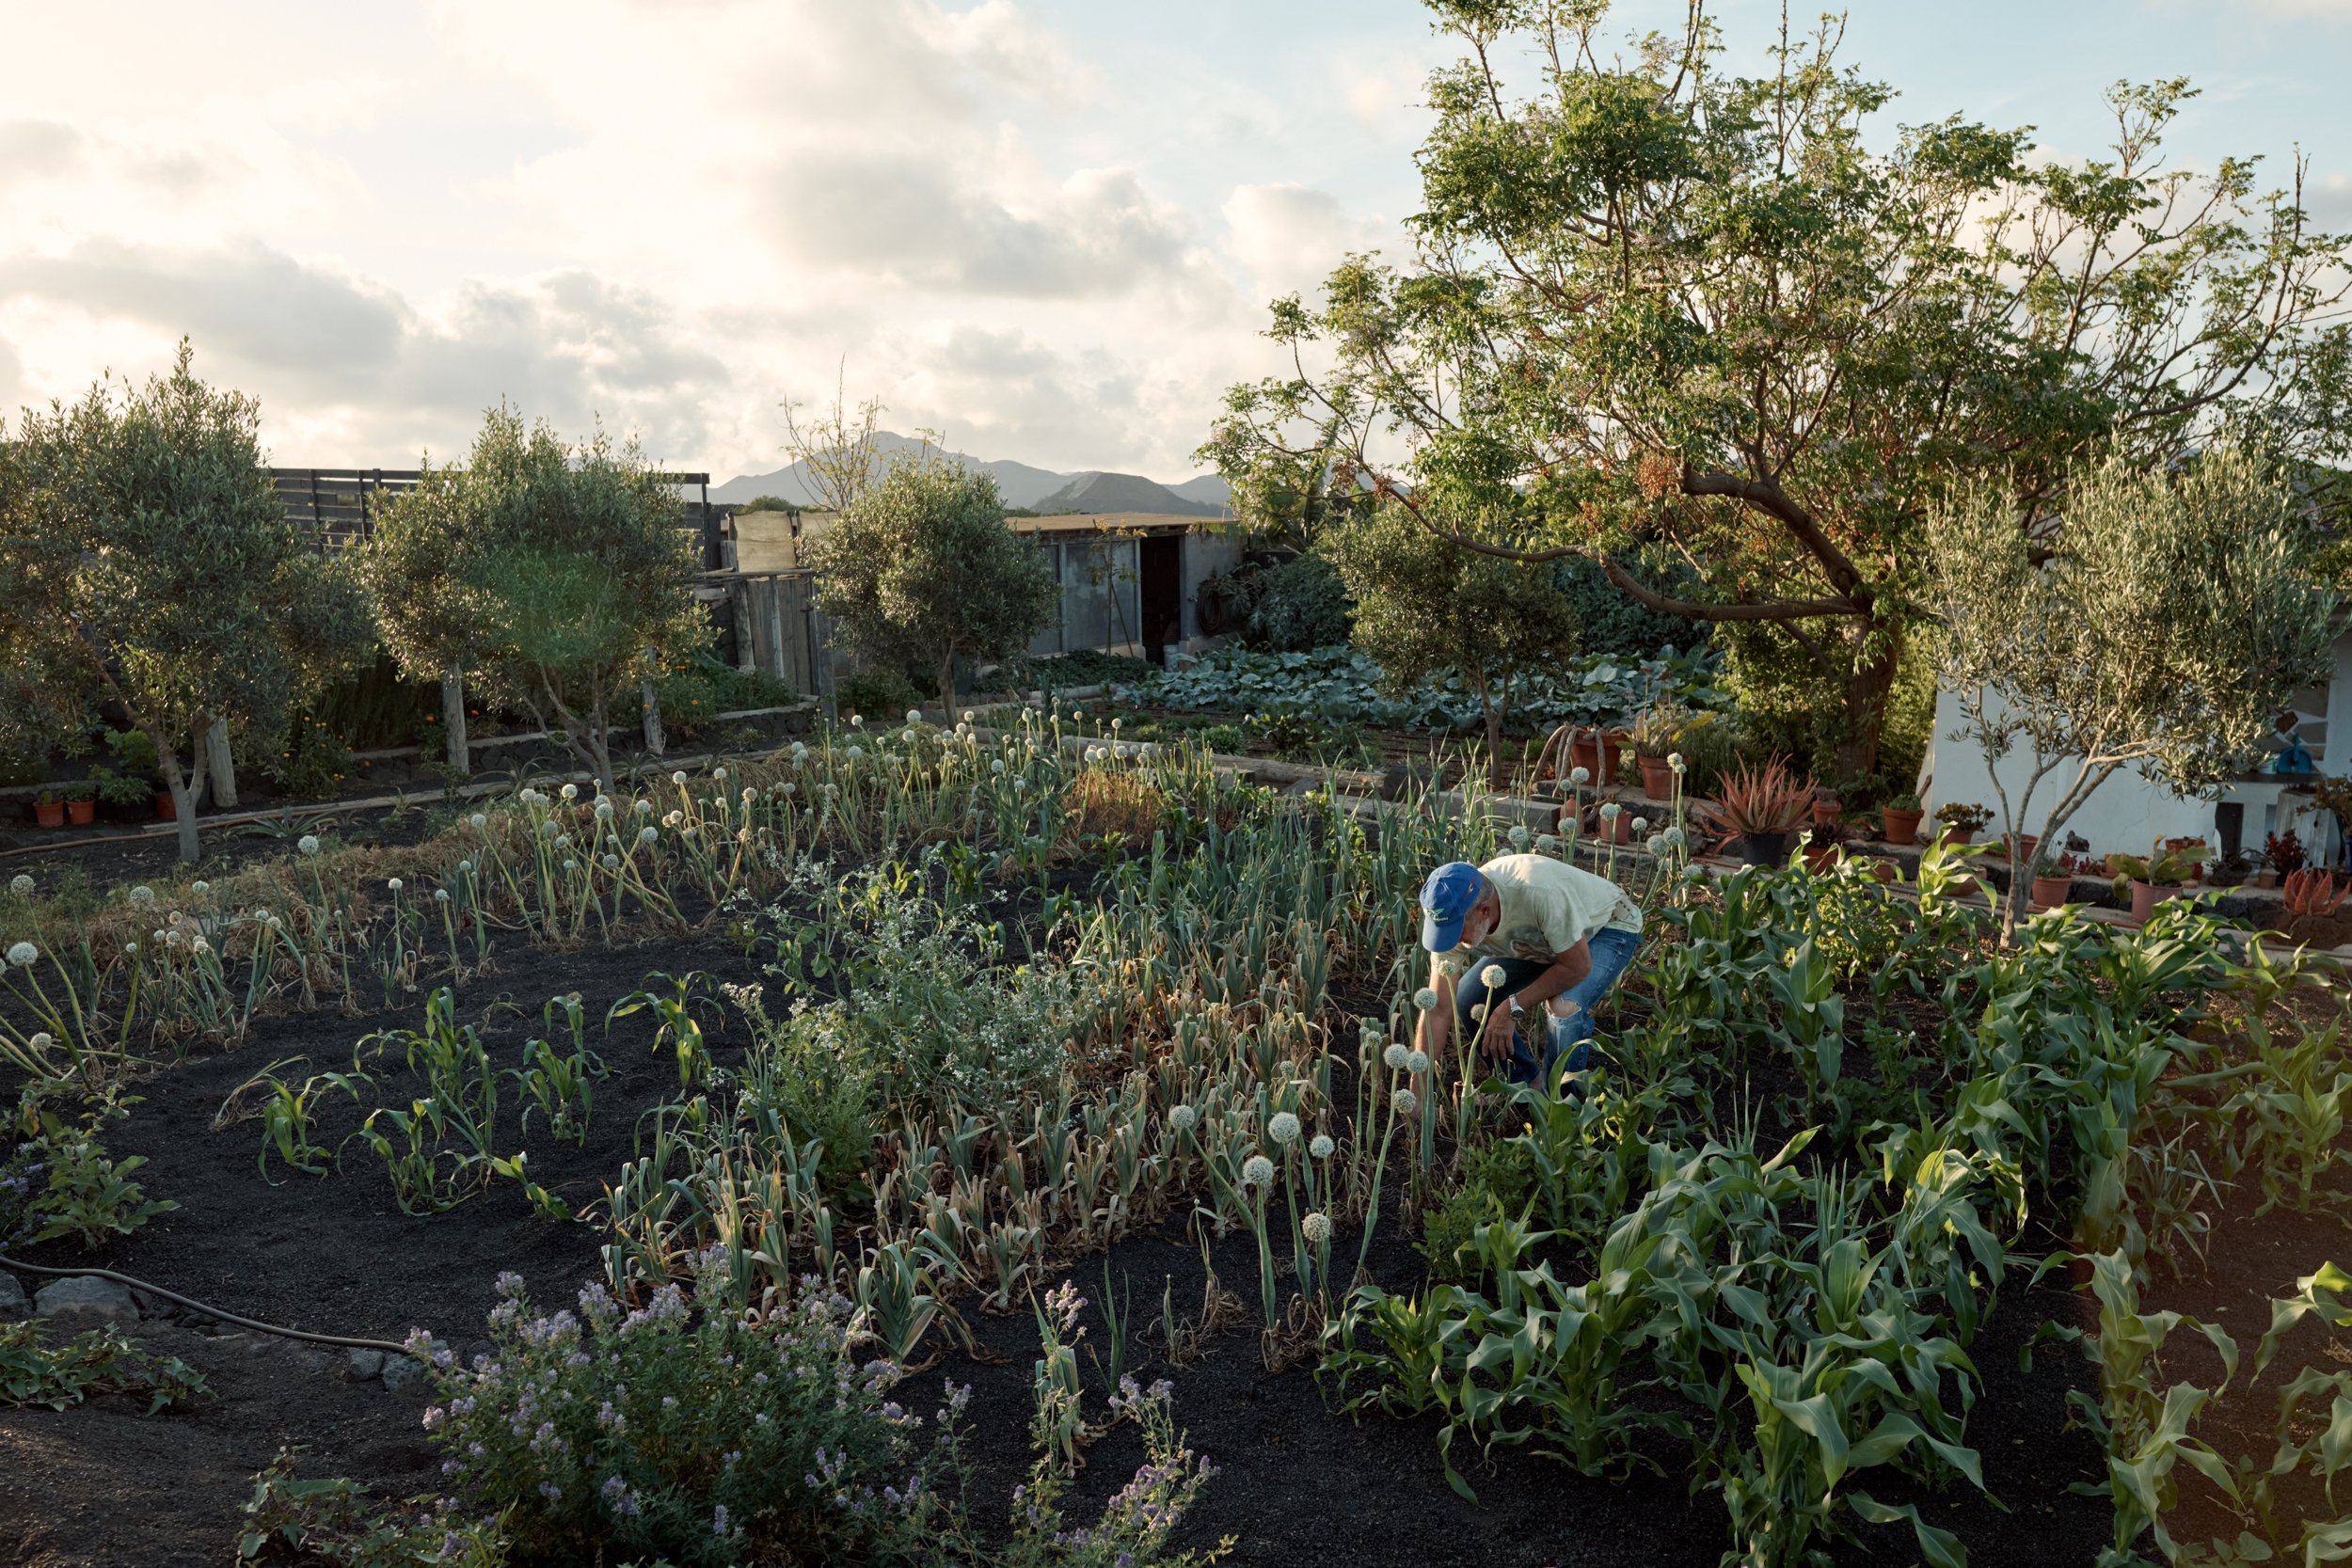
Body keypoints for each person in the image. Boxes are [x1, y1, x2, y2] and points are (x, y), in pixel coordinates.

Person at [1414, 852, 1643, 1092]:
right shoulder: (1455, 913)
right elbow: (1439, 1010)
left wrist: (1512, 1007)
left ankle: (1563, 1106)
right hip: (1547, 941)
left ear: (1484, 912)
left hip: (1607, 928)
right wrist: (1417, 1092)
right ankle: (1524, 1090)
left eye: (1456, 931)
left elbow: (1577, 967)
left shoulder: (1540, 891)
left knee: (1564, 1007)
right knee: (1470, 999)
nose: (1451, 941)